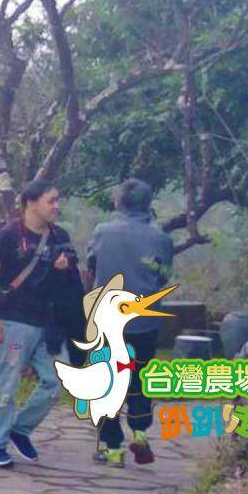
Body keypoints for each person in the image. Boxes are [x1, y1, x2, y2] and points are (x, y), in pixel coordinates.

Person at [0, 180, 79, 467]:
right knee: (7, 381)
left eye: (58, 200)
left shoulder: (60, 235)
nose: (56, 206)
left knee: (56, 380)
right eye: (51, 200)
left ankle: (20, 429)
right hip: (14, 321)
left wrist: (65, 267)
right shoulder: (10, 235)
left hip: (48, 324)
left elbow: (69, 281)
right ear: (31, 203)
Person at [82, 179, 174, 466]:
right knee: (140, 380)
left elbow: (91, 267)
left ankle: (112, 447)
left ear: (118, 203)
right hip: (144, 321)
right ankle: (140, 434)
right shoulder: (161, 238)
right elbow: (162, 276)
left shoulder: (102, 233)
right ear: (149, 205)